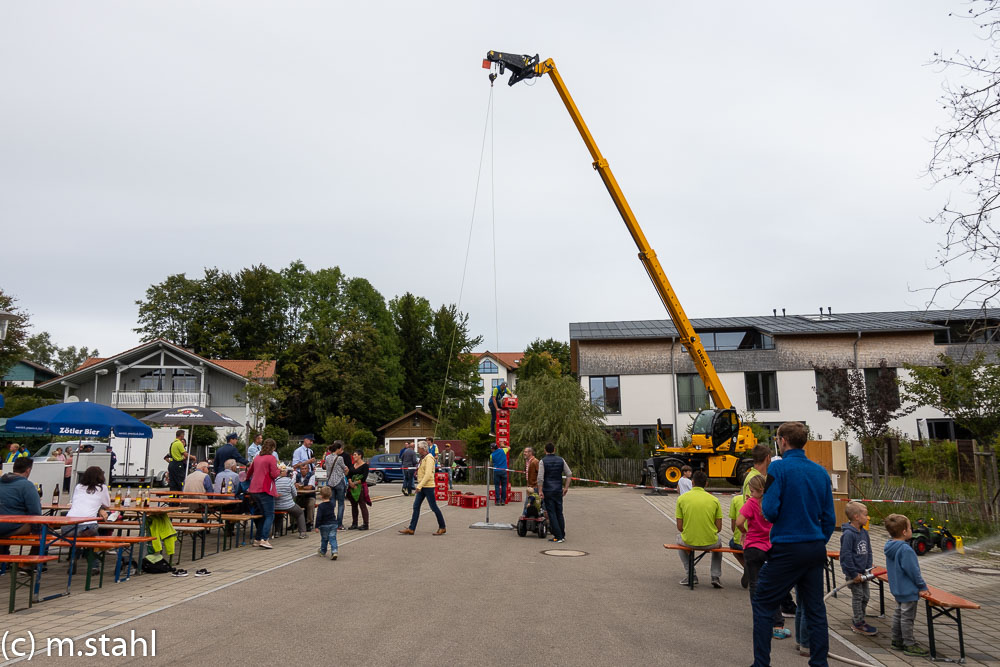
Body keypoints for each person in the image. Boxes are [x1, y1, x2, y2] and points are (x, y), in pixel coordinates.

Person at [751, 422, 835, 667]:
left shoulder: (779, 468)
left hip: (787, 547)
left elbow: (769, 509)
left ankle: (760, 663)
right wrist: (818, 539)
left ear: (784, 441)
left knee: (763, 602)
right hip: (815, 547)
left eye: (777, 438)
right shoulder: (820, 472)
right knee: (815, 608)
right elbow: (829, 518)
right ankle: (819, 663)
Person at [736, 474, 788, 637]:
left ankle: (760, 622)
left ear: (756, 490)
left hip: (752, 547)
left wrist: (744, 532)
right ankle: (777, 624)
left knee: (755, 585)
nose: (750, 494)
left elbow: (738, 522)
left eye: (751, 491)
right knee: (773, 585)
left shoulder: (751, 503)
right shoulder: (771, 502)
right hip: (769, 546)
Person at [883, 514, 930, 657]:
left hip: (897, 588)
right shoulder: (906, 550)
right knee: (907, 617)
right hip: (908, 589)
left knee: (899, 613)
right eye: (910, 527)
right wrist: (922, 587)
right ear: (904, 532)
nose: (911, 530)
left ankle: (896, 640)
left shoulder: (890, 546)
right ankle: (909, 644)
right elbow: (913, 572)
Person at [674, 469, 723, 587]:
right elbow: (719, 528)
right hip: (710, 542)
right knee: (720, 541)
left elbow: (680, 527)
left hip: (688, 541)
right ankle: (715, 576)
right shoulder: (715, 500)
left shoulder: (681, 499)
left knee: (678, 540)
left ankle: (691, 574)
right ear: (706, 484)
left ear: (692, 482)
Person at [841, 501, 876, 636]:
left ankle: (860, 617)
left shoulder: (864, 533)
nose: (867, 518)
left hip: (863, 572)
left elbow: (869, 551)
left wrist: (868, 568)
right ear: (856, 516)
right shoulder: (849, 534)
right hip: (854, 574)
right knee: (858, 596)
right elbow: (846, 556)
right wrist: (853, 573)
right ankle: (858, 622)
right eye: (865, 515)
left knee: (866, 596)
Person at [398, 441, 446, 536]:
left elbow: (428, 474)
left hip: (428, 487)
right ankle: (411, 528)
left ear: (423, 449)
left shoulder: (429, 458)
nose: (417, 450)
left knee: (434, 507)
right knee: (416, 506)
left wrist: (419, 486)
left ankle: (442, 527)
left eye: (419, 448)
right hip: (422, 486)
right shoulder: (423, 458)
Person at [247, 438, 280, 549]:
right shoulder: (271, 458)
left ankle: (257, 538)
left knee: (261, 515)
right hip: (265, 488)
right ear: (273, 448)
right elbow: (274, 474)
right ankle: (264, 539)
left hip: (254, 489)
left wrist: (247, 480)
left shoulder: (257, 458)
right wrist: (280, 470)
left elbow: (249, 472)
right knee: (269, 515)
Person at [0, 457, 42, 540]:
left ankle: (4, 551)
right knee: (44, 528)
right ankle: (35, 553)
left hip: (3, 525)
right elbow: (35, 512)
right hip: (10, 527)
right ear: (28, 470)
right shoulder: (27, 485)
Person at [538, 442, 571, 543]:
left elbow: (540, 478)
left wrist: (540, 490)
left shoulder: (542, 461)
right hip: (558, 489)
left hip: (548, 490)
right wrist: (566, 487)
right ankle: (562, 534)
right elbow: (569, 473)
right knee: (559, 512)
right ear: (554, 450)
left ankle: (558, 536)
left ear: (545, 450)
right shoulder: (561, 460)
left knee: (552, 513)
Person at [64, 466, 110, 537]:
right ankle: (99, 545)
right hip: (88, 526)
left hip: (68, 525)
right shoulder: (102, 487)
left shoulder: (78, 486)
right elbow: (107, 505)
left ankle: (79, 547)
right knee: (97, 532)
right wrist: (100, 508)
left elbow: (75, 502)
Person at [275, 464, 307, 539]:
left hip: (276, 505)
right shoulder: (289, 481)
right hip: (288, 505)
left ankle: (277, 532)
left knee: (278, 515)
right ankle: (302, 532)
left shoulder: (274, 480)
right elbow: (295, 494)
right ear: (285, 472)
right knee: (300, 513)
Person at [324, 441, 348, 529]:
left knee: (332, 503)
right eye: (340, 449)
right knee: (341, 504)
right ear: (337, 449)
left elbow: (326, 467)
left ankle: (331, 522)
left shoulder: (327, 458)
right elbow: (345, 468)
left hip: (330, 482)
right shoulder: (340, 458)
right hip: (339, 482)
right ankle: (339, 524)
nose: (341, 450)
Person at [345, 450, 370, 530]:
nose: (354, 456)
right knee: (354, 506)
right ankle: (354, 523)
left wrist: (355, 483)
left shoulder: (365, 466)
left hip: (360, 488)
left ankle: (365, 524)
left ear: (360, 455)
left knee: (362, 505)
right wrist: (350, 482)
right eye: (353, 455)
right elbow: (348, 474)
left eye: (355, 455)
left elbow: (364, 478)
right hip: (351, 488)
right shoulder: (353, 465)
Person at [729, 484, 747, 586]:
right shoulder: (764, 500)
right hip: (761, 543)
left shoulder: (736, 500)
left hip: (740, 541)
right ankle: (752, 568)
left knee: (732, 544)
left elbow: (734, 525)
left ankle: (746, 566)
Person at [314, 485, 338, 560]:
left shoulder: (321, 506)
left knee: (324, 539)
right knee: (333, 538)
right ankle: (334, 551)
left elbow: (319, 517)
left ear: (321, 496)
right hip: (333, 523)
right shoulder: (332, 504)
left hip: (324, 524)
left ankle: (323, 551)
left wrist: (317, 526)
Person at [294, 462, 317, 530]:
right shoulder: (297, 475)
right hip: (299, 497)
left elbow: (310, 487)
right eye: (302, 469)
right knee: (291, 504)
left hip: (309, 496)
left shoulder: (312, 475)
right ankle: (294, 523)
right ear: (300, 470)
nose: (303, 470)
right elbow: (292, 484)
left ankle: (309, 523)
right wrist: (296, 485)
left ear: (308, 469)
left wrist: (300, 486)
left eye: (305, 469)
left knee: (310, 504)